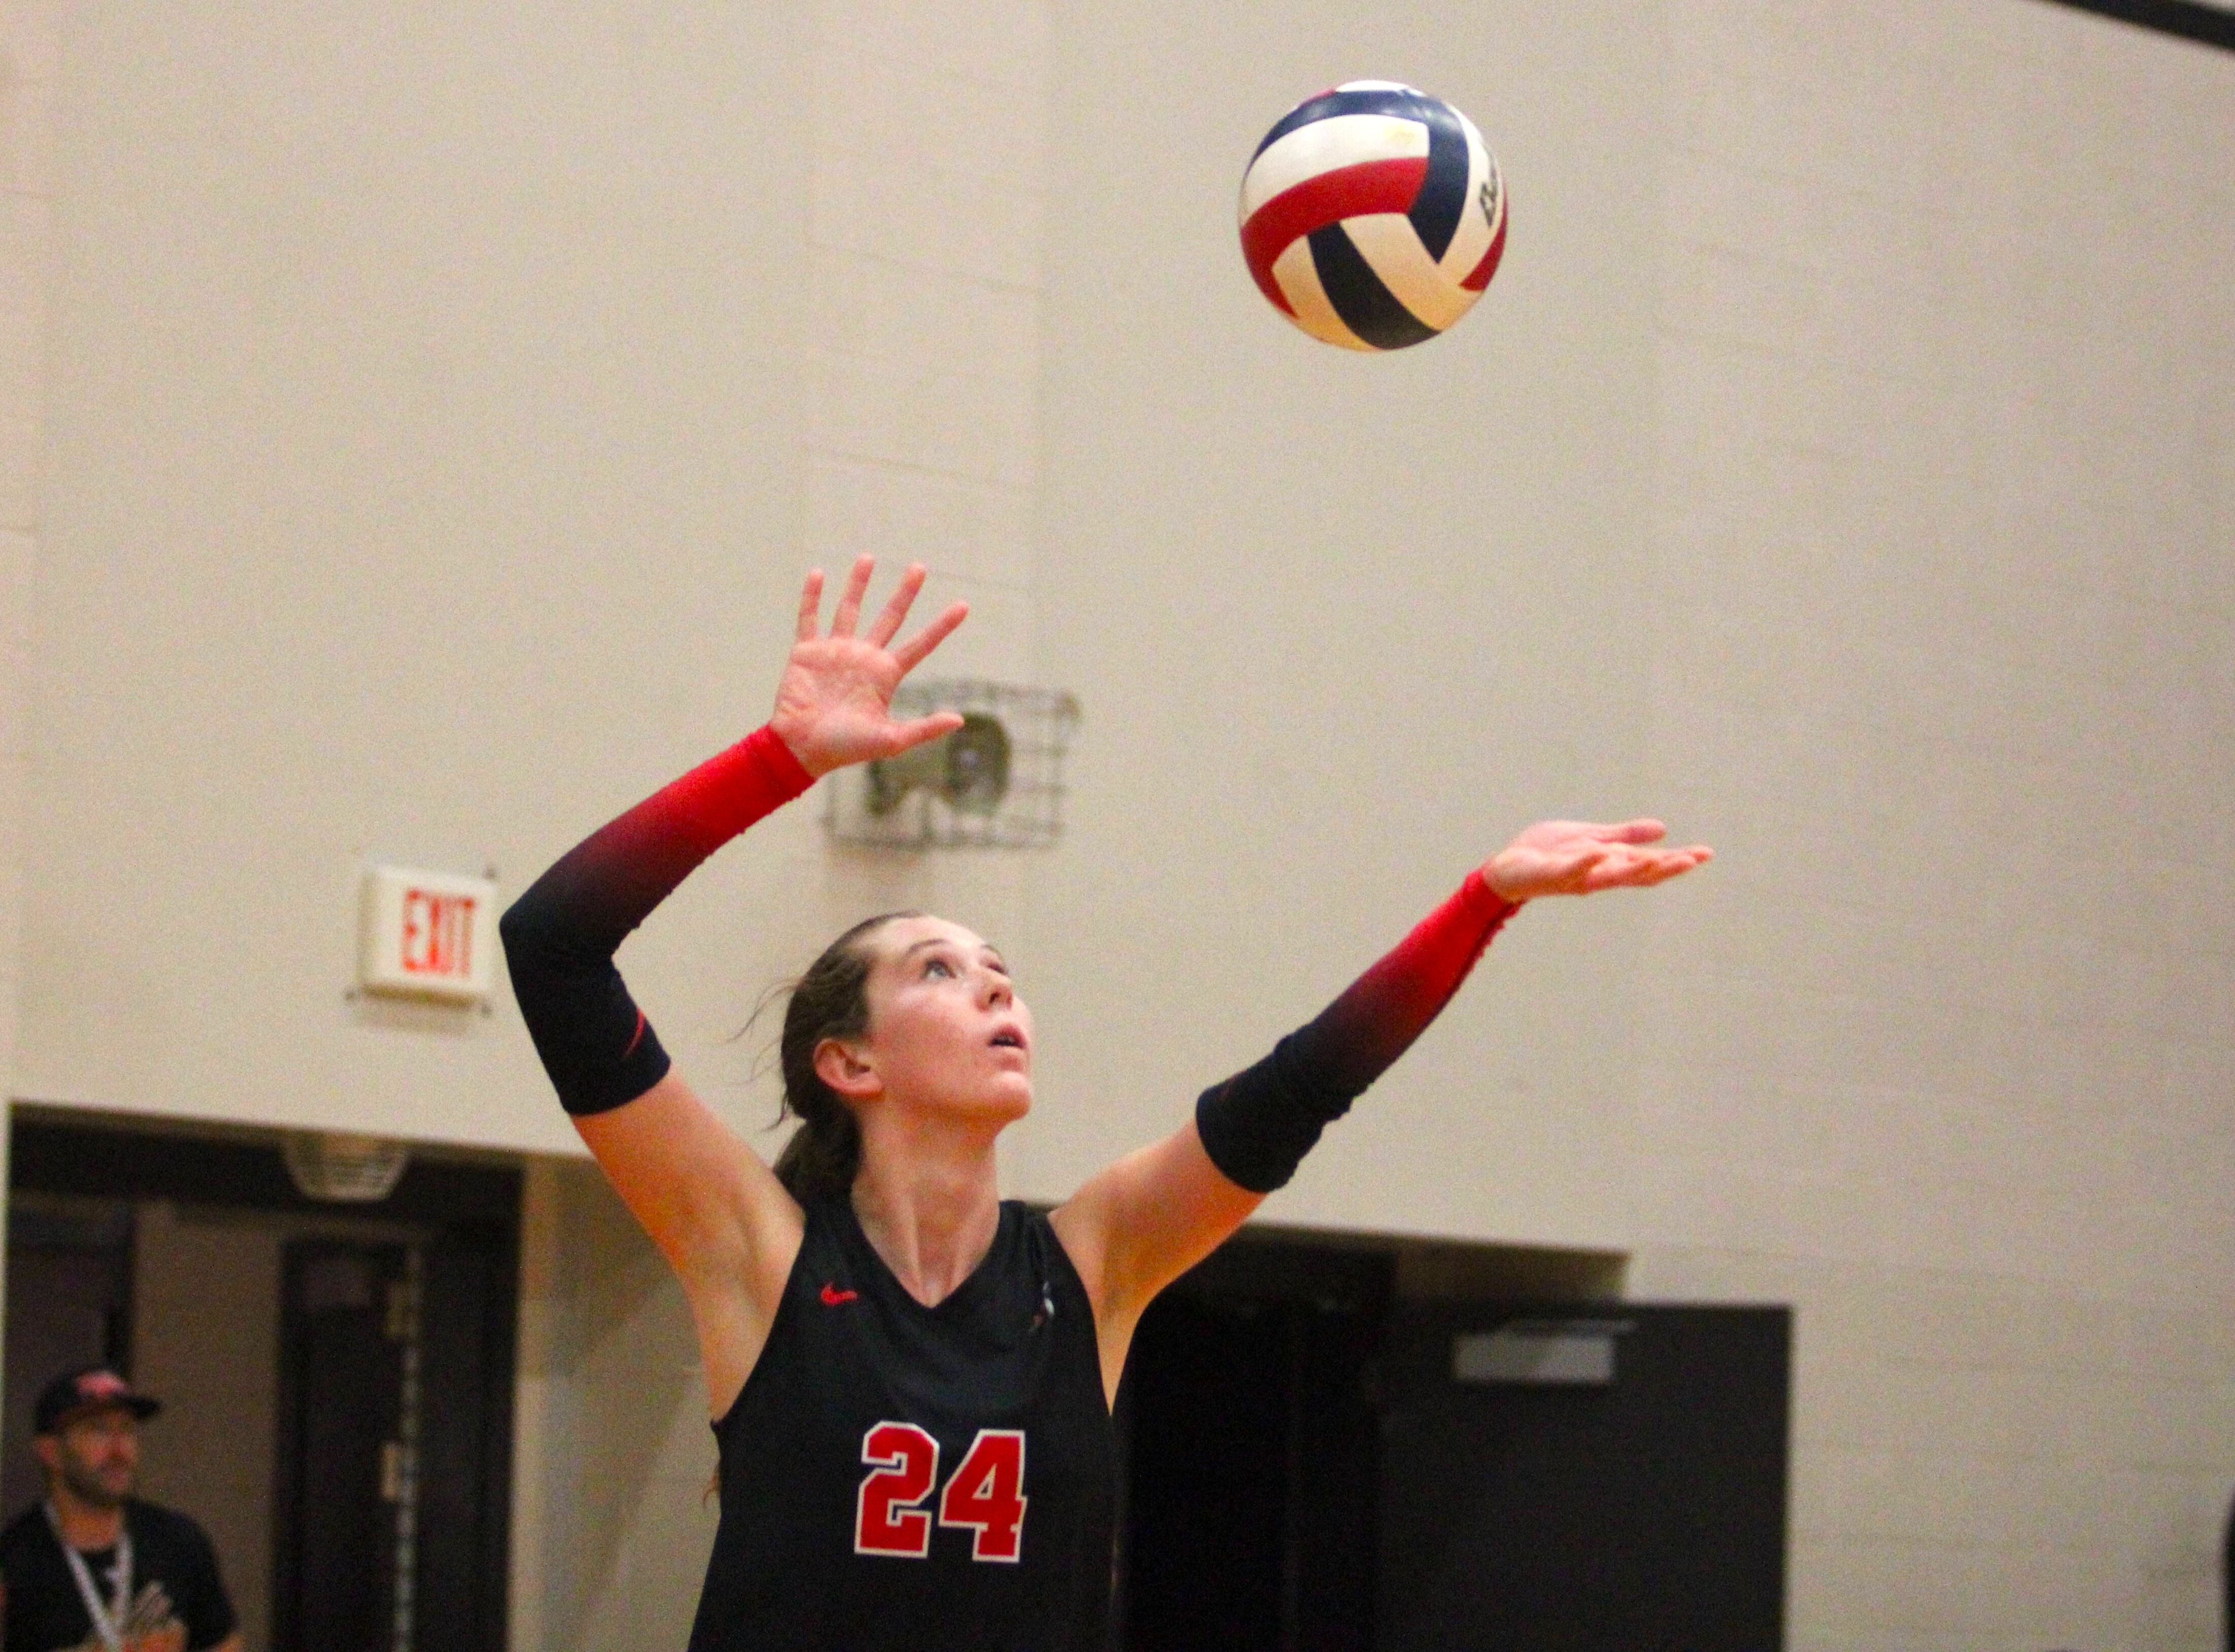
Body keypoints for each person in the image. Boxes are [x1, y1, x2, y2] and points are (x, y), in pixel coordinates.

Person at [500, 557, 1710, 1650]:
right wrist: (778, 761)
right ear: (848, 1064)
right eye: (937, 969)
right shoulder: (758, 1254)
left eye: (998, 970)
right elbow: (552, 946)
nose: (993, 984)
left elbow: (1300, 1089)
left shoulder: (1092, 1264)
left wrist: (1484, 900)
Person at [0, 1367, 240, 1652]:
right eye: (98, 1431)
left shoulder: (178, 1543)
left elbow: (223, 1643)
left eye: (126, 1430)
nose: (119, 1450)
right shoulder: (15, 1562)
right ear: (51, 1452)